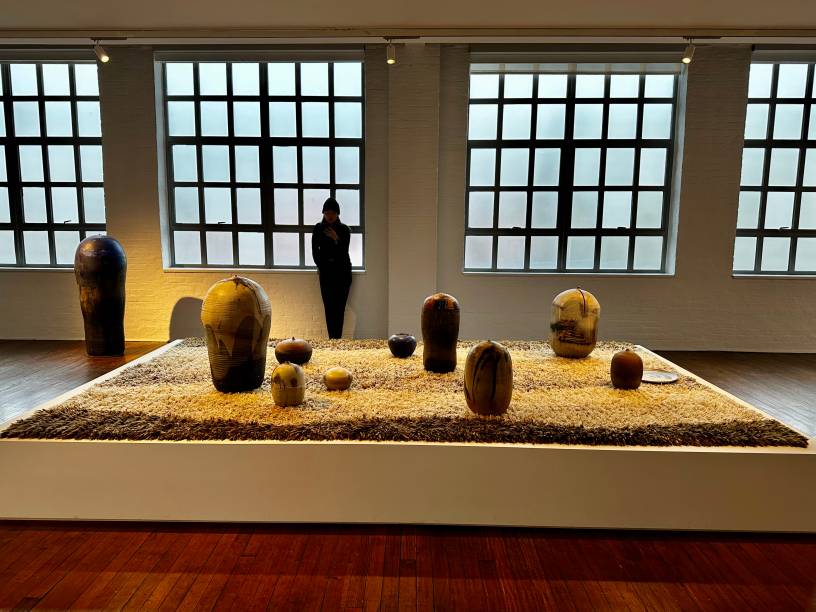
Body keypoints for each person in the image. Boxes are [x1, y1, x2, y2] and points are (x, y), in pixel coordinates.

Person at [311, 197, 352, 339]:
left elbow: (344, 252)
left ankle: (338, 341)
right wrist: (322, 266)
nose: (330, 216)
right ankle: (331, 341)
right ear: (323, 213)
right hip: (326, 273)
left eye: (333, 213)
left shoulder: (344, 229)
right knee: (329, 308)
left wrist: (336, 239)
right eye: (327, 213)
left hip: (343, 273)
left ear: (337, 214)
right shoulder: (318, 228)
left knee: (339, 309)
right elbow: (315, 251)